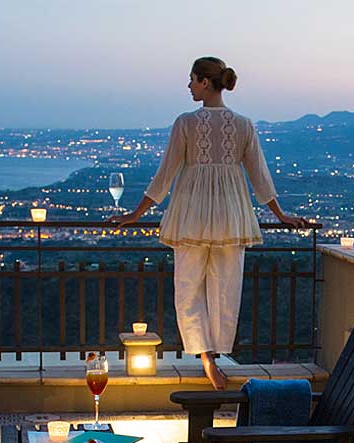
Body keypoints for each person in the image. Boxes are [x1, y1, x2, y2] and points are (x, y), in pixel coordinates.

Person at [111, 56, 309, 389]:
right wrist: (280, 215)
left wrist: (136, 214)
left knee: (188, 289)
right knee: (226, 289)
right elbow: (260, 177)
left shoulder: (186, 123)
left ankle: (206, 356)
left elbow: (165, 175)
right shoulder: (244, 124)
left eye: (191, 80)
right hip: (231, 216)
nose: (188, 86)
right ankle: (213, 355)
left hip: (190, 216)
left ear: (205, 82)